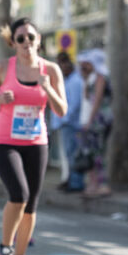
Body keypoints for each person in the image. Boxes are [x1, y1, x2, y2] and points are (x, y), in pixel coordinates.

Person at [0, 18, 68, 255]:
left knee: (31, 204)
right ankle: (5, 248)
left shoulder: (51, 70)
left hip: (36, 141)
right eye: (20, 38)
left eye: (31, 37)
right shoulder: (2, 67)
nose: (27, 42)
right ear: (13, 43)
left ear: (39, 39)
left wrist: (47, 89)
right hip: (4, 140)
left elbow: (62, 109)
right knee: (18, 194)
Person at [78, 48, 113, 198]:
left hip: (99, 120)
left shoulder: (101, 77)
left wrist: (90, 121)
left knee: (97, 153)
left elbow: (96, 101)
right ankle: (95, 184)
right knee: (93, 152)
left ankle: (102, 184)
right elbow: (87, 96)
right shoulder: (94, 77)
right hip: (98, 119)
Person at [52, 52, 85, 192]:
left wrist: (65, 119)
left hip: (71, 123)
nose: (63, 66)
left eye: (64, 62)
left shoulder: (76, 81)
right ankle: (69, 180)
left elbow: (75, 104)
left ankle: (76, 183)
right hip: (64, 123)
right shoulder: (65, 80)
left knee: (73, 154)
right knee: (67, 155)